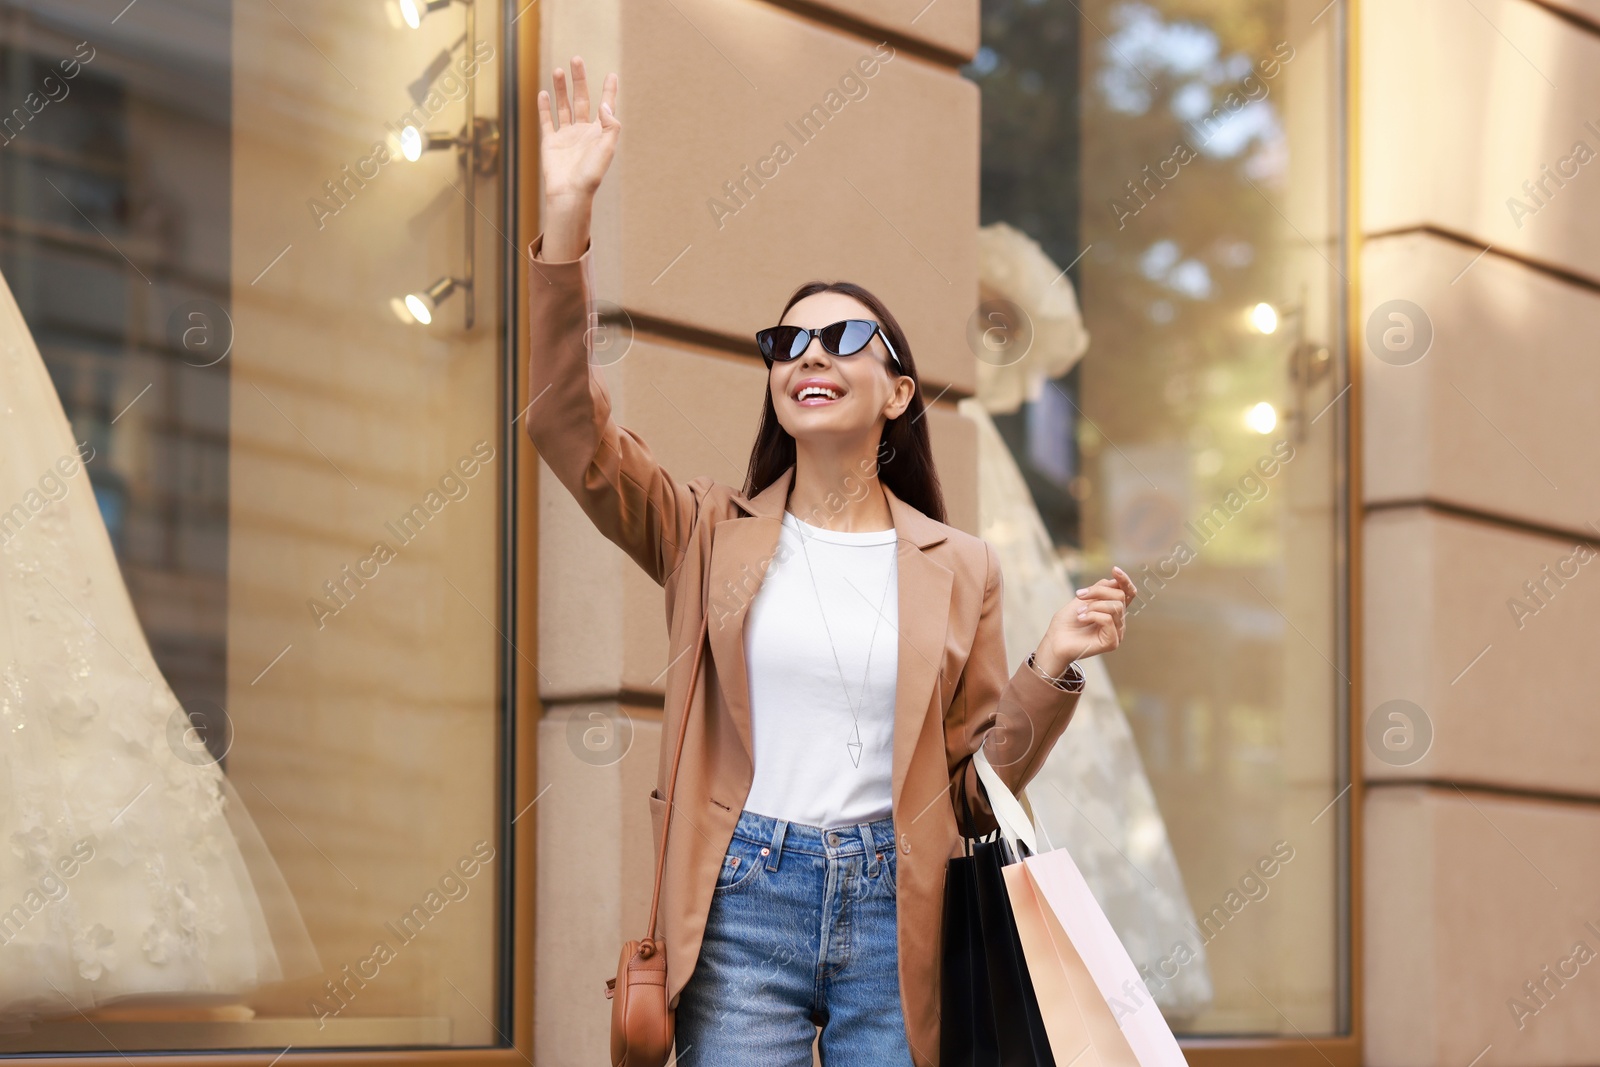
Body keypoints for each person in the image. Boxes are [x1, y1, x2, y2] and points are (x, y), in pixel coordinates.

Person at [527, 56, 1136, 1067]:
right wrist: (566, 214)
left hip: (898, 908)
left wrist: (1054, 662)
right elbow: (564, 423)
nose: (806, 355)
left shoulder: (962, 566)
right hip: (743, 898)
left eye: (841, 337)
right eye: (787, 341)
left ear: (896, 394)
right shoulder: (705, 531)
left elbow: (977, 780)